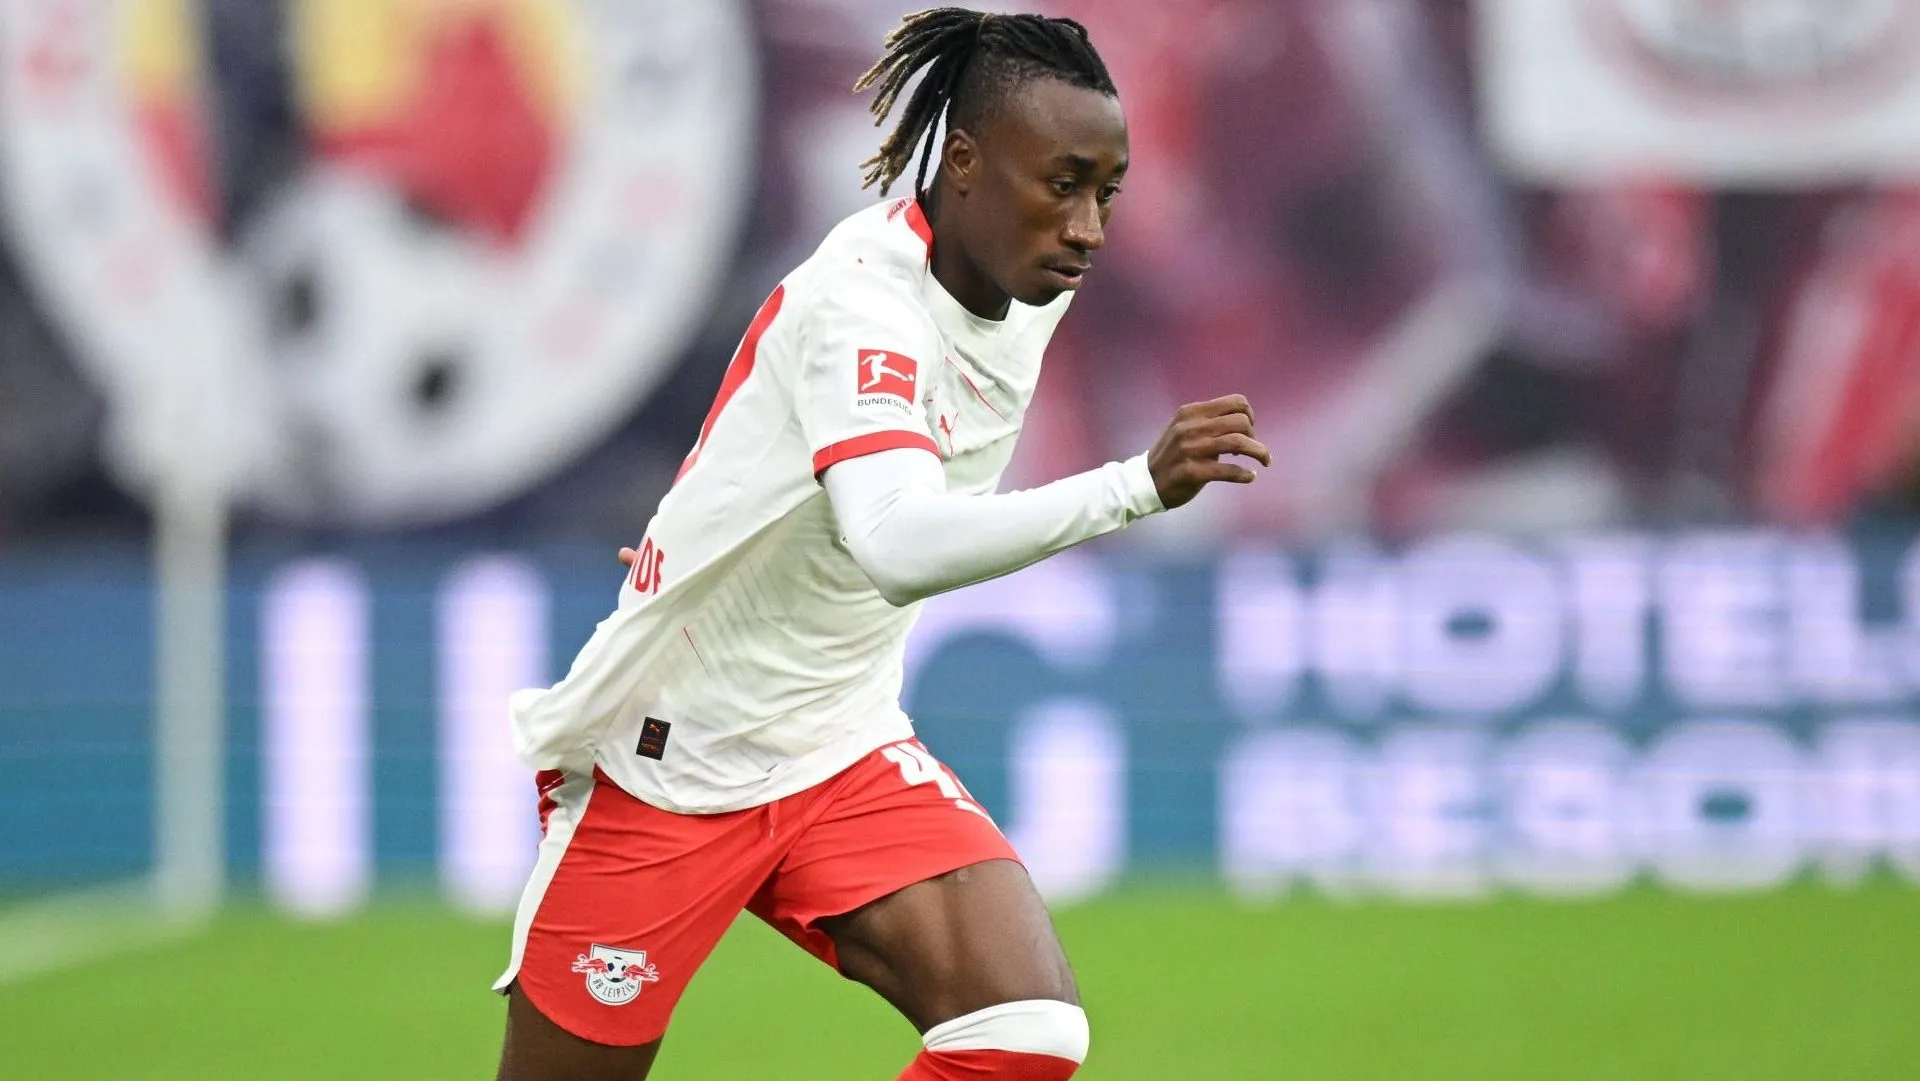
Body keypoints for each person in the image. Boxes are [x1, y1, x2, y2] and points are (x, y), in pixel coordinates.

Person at [492, 8, 1269, 1079]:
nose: (1090, 226)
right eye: (1064, 184)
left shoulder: (1022, 280)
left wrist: (709, 543)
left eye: (1107, 192)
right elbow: (895, 541)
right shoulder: (863, 305)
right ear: (962, 163)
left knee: (1025, 1030)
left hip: (834, 742)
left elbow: (761, 437)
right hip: (670, 761)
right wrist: (1132, 488)